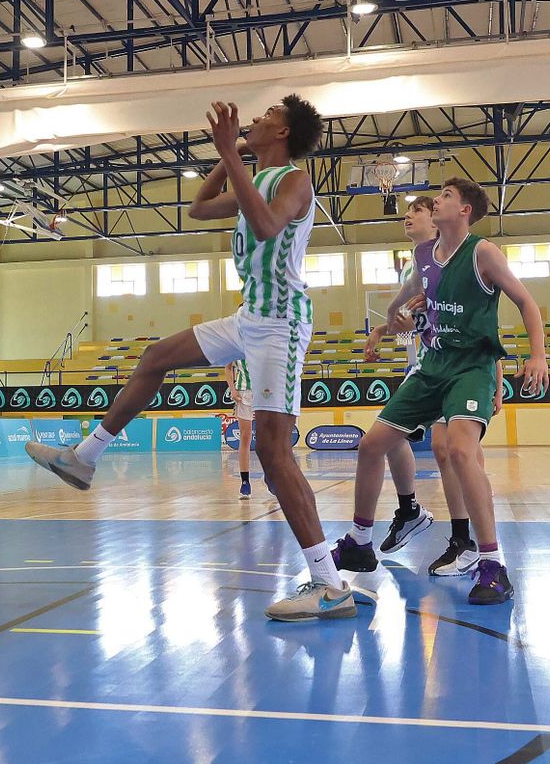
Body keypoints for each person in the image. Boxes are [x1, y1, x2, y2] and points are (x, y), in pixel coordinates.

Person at [26, 96, 352, 622]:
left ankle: (329, 583)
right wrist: (231, 157)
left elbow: (268, 226)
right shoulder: (257, 175)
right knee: (155, 357)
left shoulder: (296, 181)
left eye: (268, 115)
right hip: (249, 318)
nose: (259, 117)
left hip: (282, 324)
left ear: (285, 132)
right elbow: (200, 208)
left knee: (273, 453)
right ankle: (85, 457)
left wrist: (231, 149)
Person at [333, 177, 547, 606]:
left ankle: (492, 564)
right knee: (372, 445)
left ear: (464, 210)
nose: (436, 202)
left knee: (462, 451)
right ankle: (360, 541)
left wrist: (537, 355)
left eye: (446, 196)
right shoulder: (423, 255)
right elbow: (408, 295)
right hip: (433, 365)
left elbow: (526, 302)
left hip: (472, 366)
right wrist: (391, 317)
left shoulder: (483, 252)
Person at [359, 197, 489, 576]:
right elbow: (413, 316)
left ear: (436, 221)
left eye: (416, 211)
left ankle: (474, 543)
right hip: (427, 365)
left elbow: (476, 320)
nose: (408, 217)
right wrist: (384, 329)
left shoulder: (460, 256)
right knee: (396, 439)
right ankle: (413, 511)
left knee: (459, 453)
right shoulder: (418, 265)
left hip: (461, 367)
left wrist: (494, 379)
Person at [225, 360, 257, 499]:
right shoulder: (236, 343)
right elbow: (228, 367)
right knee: (245, 437)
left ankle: (270, 478)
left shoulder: (264, 340)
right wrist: (232, 389)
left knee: (268, 439)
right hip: (243, 393)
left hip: (264, 392)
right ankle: (245, 481)